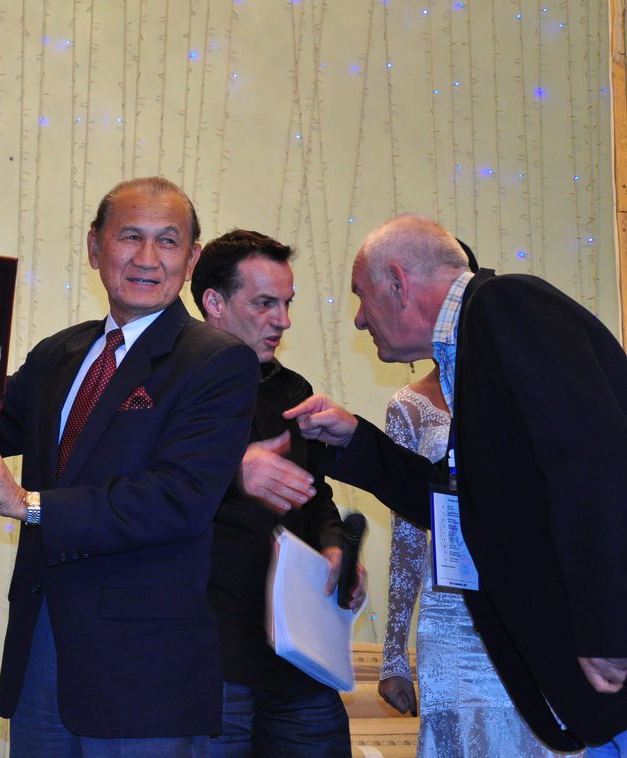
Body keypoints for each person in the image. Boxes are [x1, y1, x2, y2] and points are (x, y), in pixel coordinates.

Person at [0, 176, 260, 756]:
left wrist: (31, 505)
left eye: (167, 241)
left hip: (144, 664)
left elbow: (179, 498)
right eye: (129, 236)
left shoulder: (216, 360)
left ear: (191, 260)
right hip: (44, 643)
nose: (147, 257)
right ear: (94, 247)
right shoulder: (60, 353)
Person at [285, 214, 627, 753]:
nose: (359, 319)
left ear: (399, 284)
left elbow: (594, 461)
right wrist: (355, 440)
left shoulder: (506, 305)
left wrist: (610, 624)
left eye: (361, 296)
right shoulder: (467, 350)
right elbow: (466, 505)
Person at [191, 229, 360, 758]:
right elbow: (140, 490)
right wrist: (231, 472)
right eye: (265, 303)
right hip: (210, 657)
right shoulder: (169, 387)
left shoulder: (292, 390)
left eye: (287, 303)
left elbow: (316, 495)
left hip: (301, 655)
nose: (283, 320)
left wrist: (334, 545)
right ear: (214, 302)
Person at [379, 366, 568, 756]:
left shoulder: (528, 388)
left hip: (527, 612)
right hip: (449, 617)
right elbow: (407, 536)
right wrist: (394, 654)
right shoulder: (408, 408)